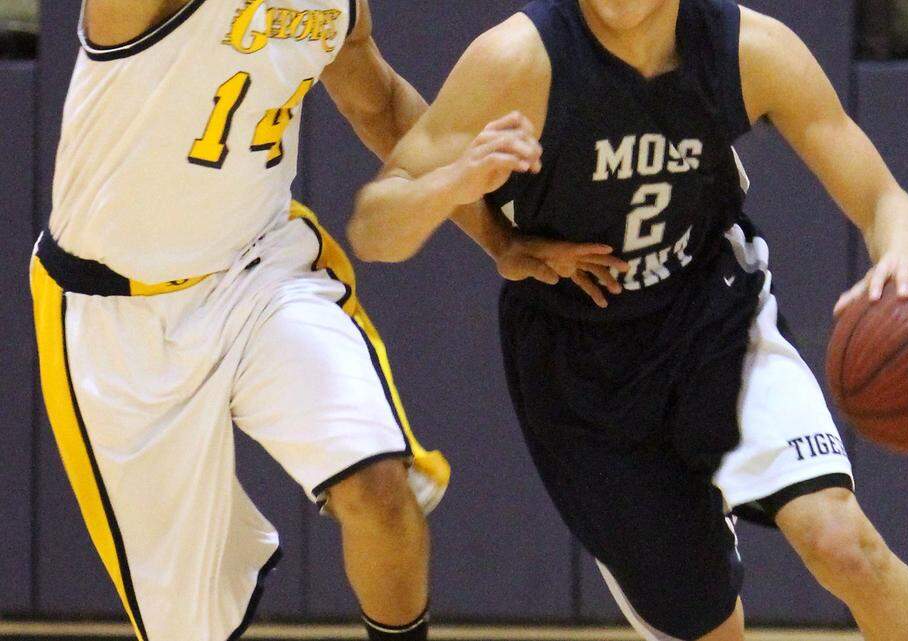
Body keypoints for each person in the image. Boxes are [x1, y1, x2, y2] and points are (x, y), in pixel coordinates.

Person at [350, 0, 908, 639]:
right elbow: (376, 227)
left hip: (713, 319)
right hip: (580, 366)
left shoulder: (747, 49)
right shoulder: (516, 60)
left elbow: (883, 198)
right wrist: (455, 183)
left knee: (843, 544)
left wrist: (902, 257)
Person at [30, 1, 610, 639]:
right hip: (117, 311)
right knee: (184, 629)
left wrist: (499, 238)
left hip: (260, 274)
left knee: (381, 492)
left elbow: (380, 105)